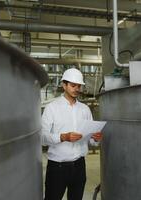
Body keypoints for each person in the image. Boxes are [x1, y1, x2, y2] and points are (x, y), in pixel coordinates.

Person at [41, 68, 102, 200]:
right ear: (64, 85)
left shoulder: (85, 109)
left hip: (79, 166)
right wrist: (63, 137)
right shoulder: (52, 108)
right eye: (73, 85)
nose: (76, 89)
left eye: (79, 86)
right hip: (58, 167)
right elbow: (42, 137)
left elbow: (90, 140)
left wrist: (95, 138)